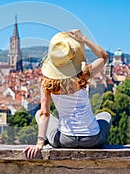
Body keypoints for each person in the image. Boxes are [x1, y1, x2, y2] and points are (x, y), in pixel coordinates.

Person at [24, 29, 112, 159]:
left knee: (38, 113)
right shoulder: (82, 76)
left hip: (65, 140)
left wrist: (39, 143)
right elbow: (104, 57)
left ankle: (51, 137)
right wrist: (84, 39)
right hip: (92, 139)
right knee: (105, 115)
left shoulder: (47, 83)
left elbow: (44, 114)